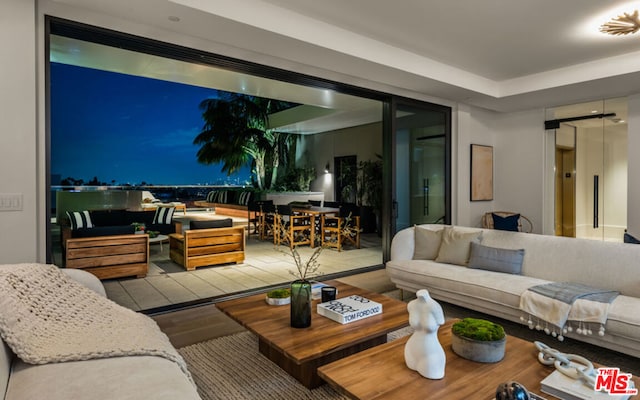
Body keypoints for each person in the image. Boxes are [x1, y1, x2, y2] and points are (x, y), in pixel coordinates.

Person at [404, 289, 446, 379]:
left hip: (431, 353)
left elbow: (441, 321)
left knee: (433, 378)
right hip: (411, 349)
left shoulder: (435, 307)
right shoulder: (411, 305)